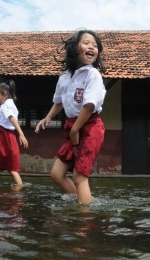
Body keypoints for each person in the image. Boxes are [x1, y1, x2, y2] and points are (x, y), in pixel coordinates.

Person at [35, 29, 106, 204]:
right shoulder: (65, 78)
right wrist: (48, 118)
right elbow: (59, 101)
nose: (92, 47)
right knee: (57, 174)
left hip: (89, 126)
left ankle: (84, 219)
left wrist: (75, 129)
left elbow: (89, 105)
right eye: (87, 43)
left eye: (95, 45)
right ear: (74, 48)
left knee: (79, 176)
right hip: (73, 126)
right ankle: (83, 199)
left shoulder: (92, 75)